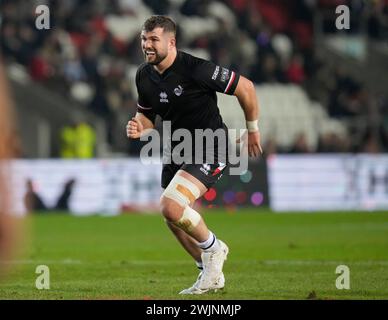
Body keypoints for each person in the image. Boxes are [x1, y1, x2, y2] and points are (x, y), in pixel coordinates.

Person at [126, 16, 262, 294]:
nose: (147, 45)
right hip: (177, 148)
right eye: (144, 39)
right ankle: (209, 272)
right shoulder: (144, 74)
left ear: (171, 42)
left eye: (153, 39)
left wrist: (253, 130)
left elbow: (245, 87)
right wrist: (139, 125)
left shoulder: (196, 69)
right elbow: (147, 116)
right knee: (172, 217)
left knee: (171, 206)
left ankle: (215, 249)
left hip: (211, 146)